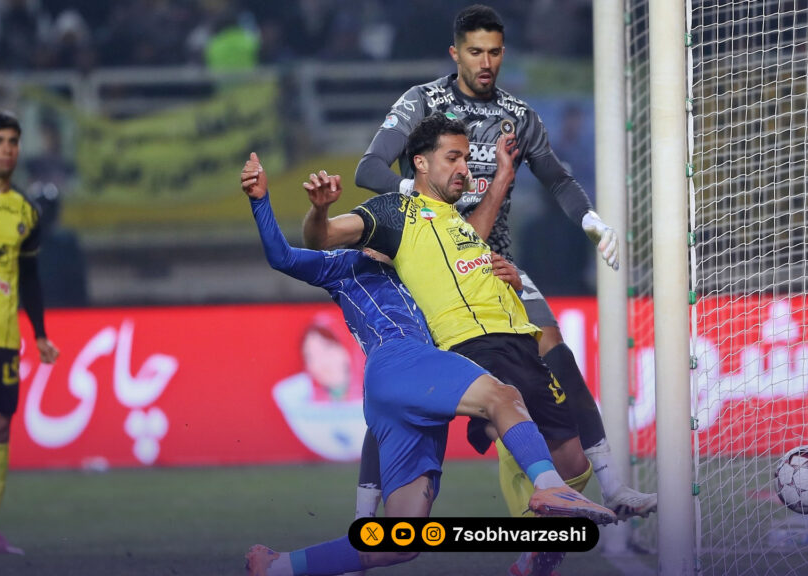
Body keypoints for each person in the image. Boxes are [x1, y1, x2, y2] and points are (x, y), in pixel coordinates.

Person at [352, 3, 654, 529]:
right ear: (456, 53)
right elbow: (368, 168)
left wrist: (591, 221)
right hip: (426, 265)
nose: (485, 62)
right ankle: (363, 514)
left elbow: (557, 178)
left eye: (493, 52)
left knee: (557, 352)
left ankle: (613, 486)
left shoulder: (518, 115)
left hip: (494, 264)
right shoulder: (422, 102)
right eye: (475, 52)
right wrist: (422, 200)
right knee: (395, 384)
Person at [239, 152, 615, 576]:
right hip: (398, 358)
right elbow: (284, 256)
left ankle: (280, 567)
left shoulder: (422, 268)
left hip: (401, 389)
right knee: (503, 395)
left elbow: (467, 253)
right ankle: (550, 487)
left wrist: (506, 272)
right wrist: (261, 201)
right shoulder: (346, 264)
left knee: (402, 539)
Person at [0, 110, 59, 555]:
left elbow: (30, 277)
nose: (7, 149)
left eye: (13, 141)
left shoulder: (26, 211)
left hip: (2, 336)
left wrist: (39, 333)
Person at [272, 324, 366, 462]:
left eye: (327, 349)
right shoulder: (301, 396)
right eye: (310, 356)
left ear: (348, 347)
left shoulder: (376, 388)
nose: (320, 363)